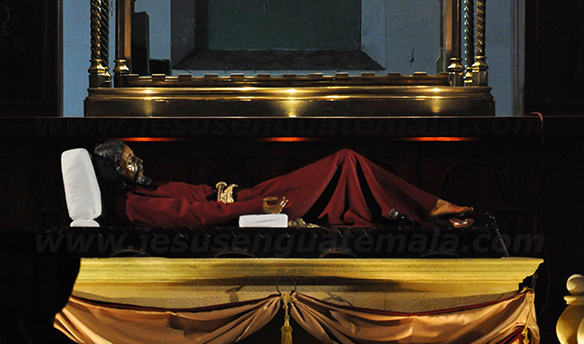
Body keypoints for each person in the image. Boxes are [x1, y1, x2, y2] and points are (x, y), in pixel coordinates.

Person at [92, 140, 473, 230]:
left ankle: (427, 211)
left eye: (135, 156)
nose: (138, 163)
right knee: (345, 161)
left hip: (246, 197)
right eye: (129, 161)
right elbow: (194, 217)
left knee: (347, 164)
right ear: (113, 171)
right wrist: (255, 207)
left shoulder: (144, 189)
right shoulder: (132, 204)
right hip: (250, 204)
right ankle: (429, 209)